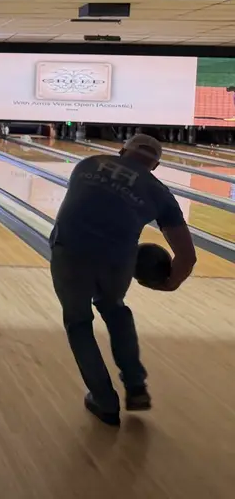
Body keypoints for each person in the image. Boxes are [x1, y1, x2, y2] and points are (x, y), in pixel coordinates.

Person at [50, 134, 196, 426]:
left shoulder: (88, 163)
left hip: (71, 252)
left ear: (121, 150)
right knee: (114, 308)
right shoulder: (160, 193)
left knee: (79, 324)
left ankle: (104, 402)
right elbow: (187, 257)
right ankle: (136, 385)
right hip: (118, 261)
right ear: (155, 166)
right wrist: (168, 283)